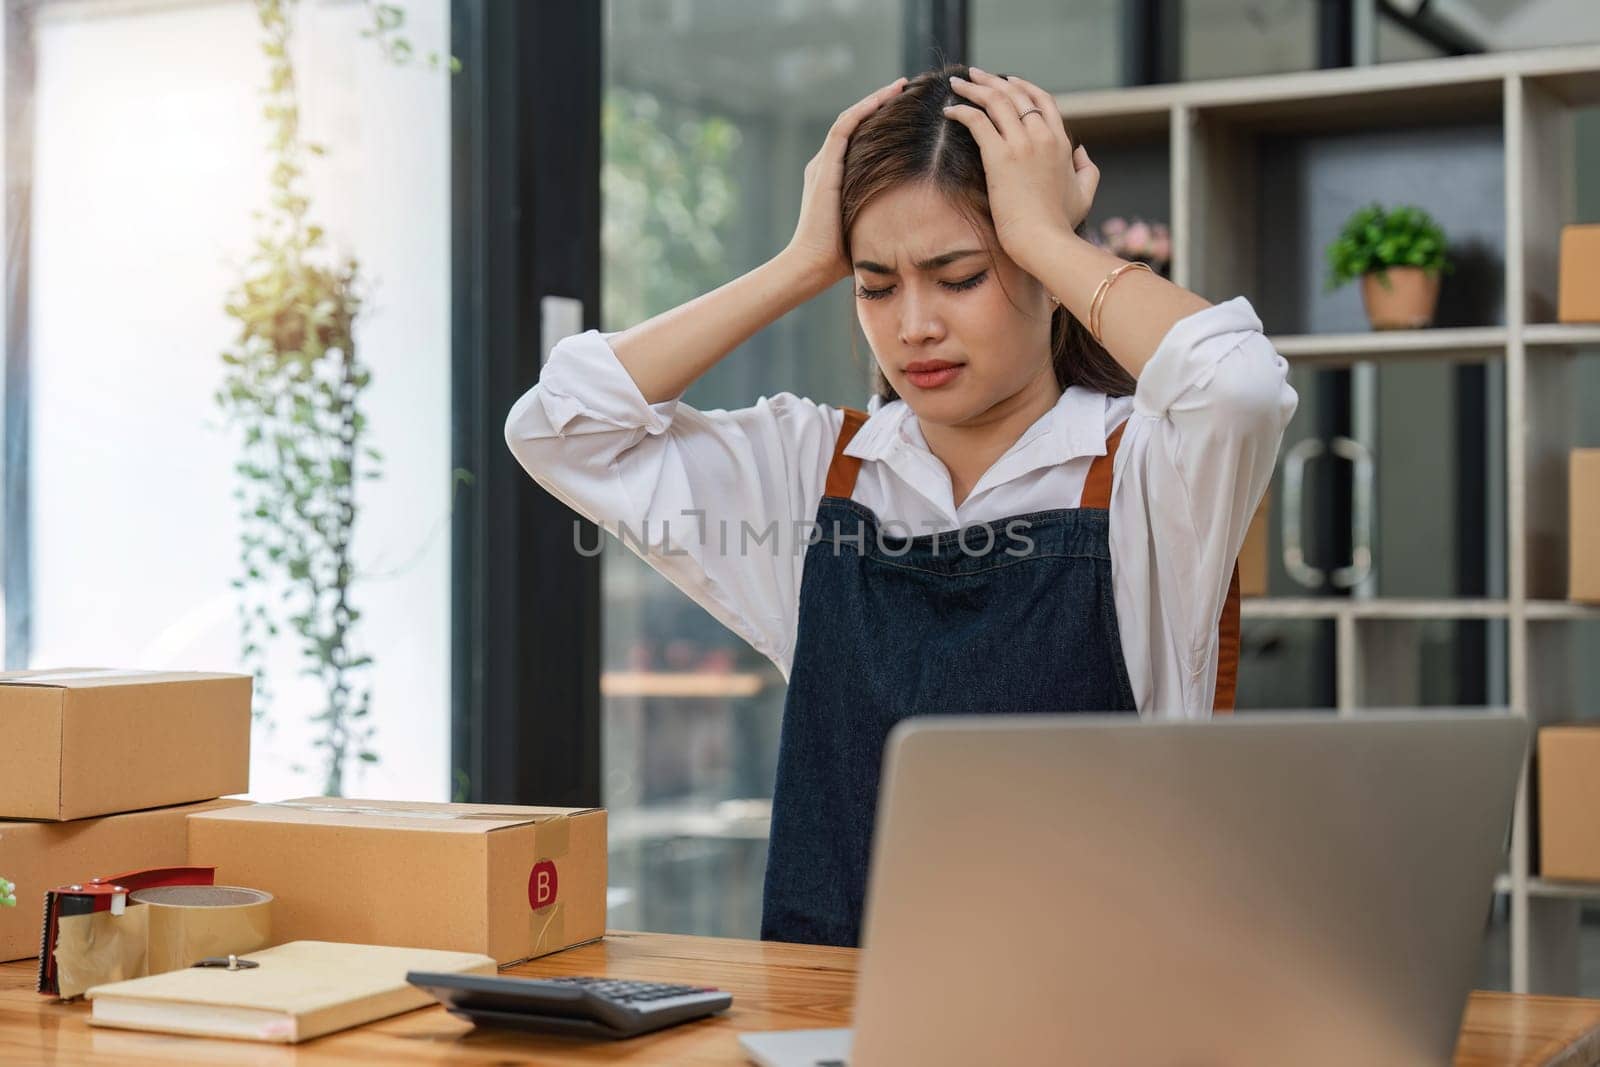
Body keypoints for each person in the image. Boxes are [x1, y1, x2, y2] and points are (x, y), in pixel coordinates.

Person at [505, 64, 1299, 948]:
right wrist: (799, 264)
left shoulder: (1149, 469)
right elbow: (559, 429)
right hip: (831, 1018)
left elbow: (1240, 387)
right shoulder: (816, 472)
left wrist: (1044, 231)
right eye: (876, 286)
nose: (912, 325)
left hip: (1094, 1017)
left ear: (1043, 273)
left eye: (958, 276)